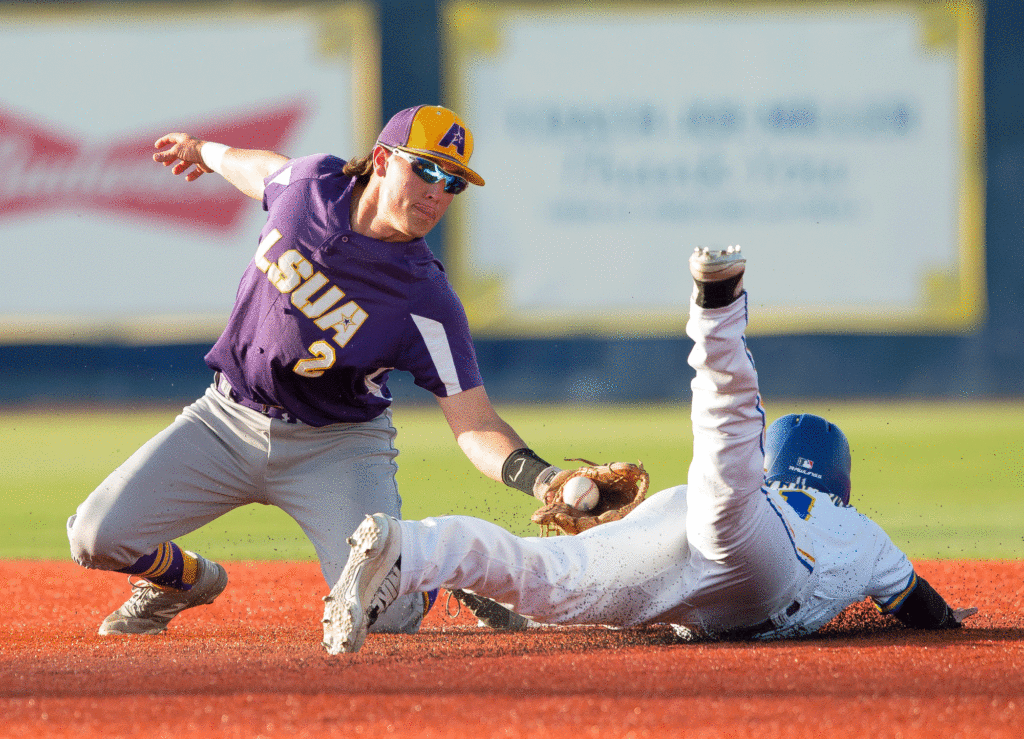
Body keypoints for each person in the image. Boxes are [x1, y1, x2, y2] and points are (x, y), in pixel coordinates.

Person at [322, 247, 977, 654]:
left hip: (682, 551)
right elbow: (919, 605)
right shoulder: (857, 530)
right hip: (761, 568)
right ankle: (718, 316)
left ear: (781, 466)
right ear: (840, 481)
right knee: (726, 481)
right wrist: (950, 619)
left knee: (544, 575)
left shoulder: (800, 502)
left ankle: (413, 549)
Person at [67, 105, 565, 636]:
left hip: (336, 447)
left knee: (389, 621)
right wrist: (204, 153)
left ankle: (431, 566)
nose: (437, 192)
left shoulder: (426, 298)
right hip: (226, 421)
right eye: (426, 169)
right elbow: (257, 169)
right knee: (94, 538)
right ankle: (185, 581)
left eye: (453, 183)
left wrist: (548, 480)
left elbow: (475, 423)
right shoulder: (308, 186)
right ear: (380, 159)